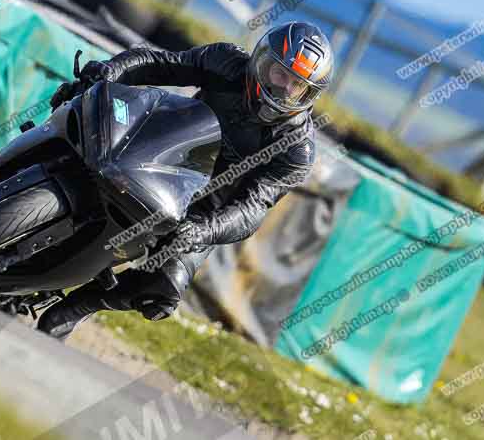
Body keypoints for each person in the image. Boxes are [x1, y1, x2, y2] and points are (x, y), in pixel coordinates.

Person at [37, 21, 334, 340]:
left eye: (297, 86)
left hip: (202, 207)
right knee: (78, 123)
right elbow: (159, 63)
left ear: (310, 94)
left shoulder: (297, 149)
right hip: (158, 147)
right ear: (262, 62)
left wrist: (205, 229)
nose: (285, 90)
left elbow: (254, 207)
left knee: (162, 292)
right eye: (280, 75)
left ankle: (78, 306)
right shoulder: (226, 61)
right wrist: (110, 70)